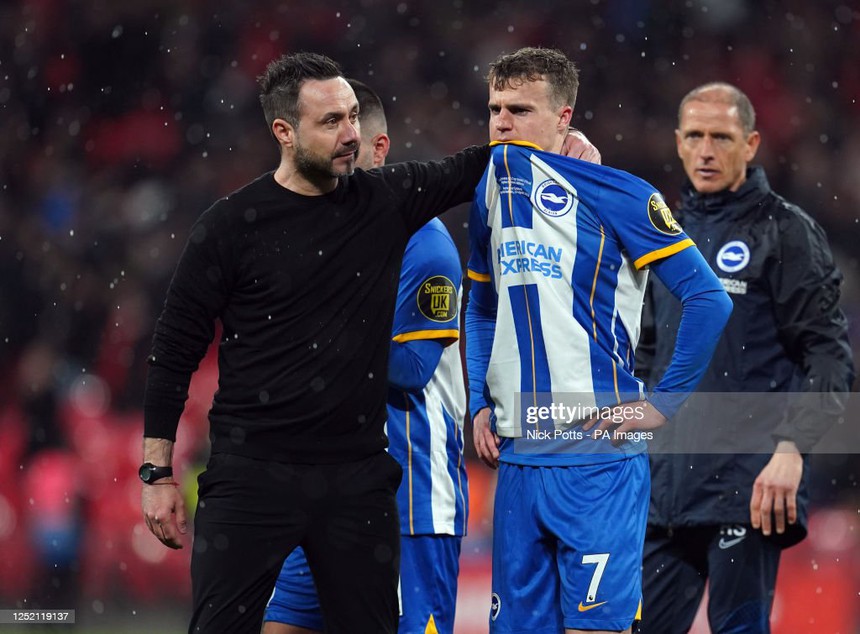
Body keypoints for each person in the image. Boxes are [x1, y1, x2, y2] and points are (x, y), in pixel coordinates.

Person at [140, 52, 593, 634]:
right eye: (332, 122)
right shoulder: (230, 227)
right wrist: (156, 475)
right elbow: (173, 352)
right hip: (253, 476)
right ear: (284, 131)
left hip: (355, 483)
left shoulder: (384, 203)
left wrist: (564, 135)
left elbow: (479, 162)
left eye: (354, 117)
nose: (352, 134)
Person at [465, 47, 733, 634]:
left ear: (564, 118)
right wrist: (477, 402)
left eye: (520, 109)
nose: (502, 122)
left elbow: (709, 299)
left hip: (597, 461)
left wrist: (663, 403)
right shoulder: (488, 192)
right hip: (516, 461)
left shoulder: (623, 193)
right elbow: (482, 306)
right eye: (494, 109)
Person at [635, 82, 855, 634]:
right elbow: (647, 356)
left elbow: (829, 356)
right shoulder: (665, 234)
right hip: (664, 491)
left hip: (748, 489)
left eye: (722, 137)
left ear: (751, 143)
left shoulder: (786, 233)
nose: (706, 150)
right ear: (678, 143)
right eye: (695, 136)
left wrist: (793, 449)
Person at [261, 79, 469, 634]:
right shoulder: (320, 239)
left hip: (409, 500)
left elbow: (410, 370)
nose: (338, 161)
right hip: (325, 492)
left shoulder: (427, 248)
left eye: (351, 147)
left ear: (379, 150)